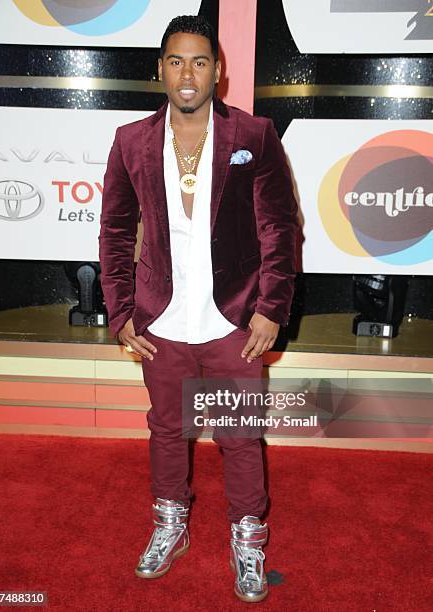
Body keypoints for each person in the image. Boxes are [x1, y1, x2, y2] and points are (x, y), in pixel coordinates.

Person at [99, 14, 299, 603]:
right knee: (166, 428)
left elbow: (280, 230)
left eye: (201, 61)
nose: (189, 74)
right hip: (162, 318)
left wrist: (270, 308)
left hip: (234, 319)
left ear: (219, 71)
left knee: (239, 436)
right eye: (178, 61)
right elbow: (113, 233)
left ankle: (248, 539)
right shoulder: (130, 141)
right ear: (160, 69)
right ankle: (170, 523)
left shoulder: (254, 136)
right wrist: (121, 312)